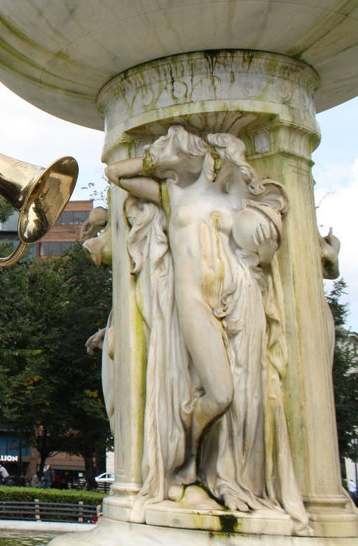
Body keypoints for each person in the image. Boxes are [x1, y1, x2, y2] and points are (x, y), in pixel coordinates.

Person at [107, 126, 306, 531]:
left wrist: (265, 245)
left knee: (243, 394)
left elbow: (263, 254)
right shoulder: (173, 192)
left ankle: (220, 473)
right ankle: (186, 460)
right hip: (192, 302)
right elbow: (115, 173)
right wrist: (160, 159)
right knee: (221, 394)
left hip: (238, 302)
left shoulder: (239, 202)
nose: (219, 161)